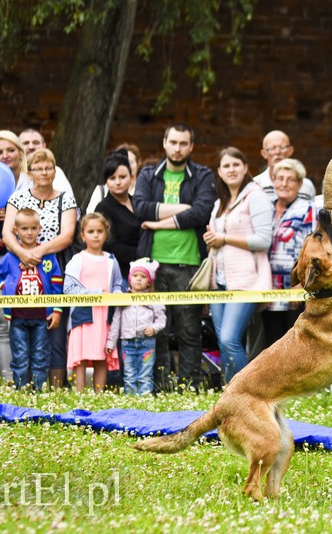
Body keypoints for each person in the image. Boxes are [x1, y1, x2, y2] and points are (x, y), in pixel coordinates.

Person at [133, 122, 216, 392]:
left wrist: (158, 222)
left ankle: (189, 385)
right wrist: (182, 209)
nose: (177, 148)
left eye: (183, 143)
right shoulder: (148, 175)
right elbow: (140, 207)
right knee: (153, 329)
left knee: (189, 330)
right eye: (173, 142)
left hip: (188, 263)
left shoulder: (202, 175)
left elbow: (202, 212)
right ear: (164, 143)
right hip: (152, 266)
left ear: (190, 146)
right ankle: (158, 386)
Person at [3, 148, 78, 388]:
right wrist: (23, 254)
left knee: (53, 327)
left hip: (53, 265)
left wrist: (38, 252)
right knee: (22, 329)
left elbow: (67, 235)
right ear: (29, 171)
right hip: (20, 265)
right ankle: (22, 385)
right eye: (38, 168)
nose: (44, 172)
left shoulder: (65, 197)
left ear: (55, 170)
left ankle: (53, 387)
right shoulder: (18, 197)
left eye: (48, 167)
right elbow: (7, 233)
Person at [202, 147, 272, 383]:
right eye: (226, 166)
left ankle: (247, 394)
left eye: (236, 164)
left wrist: (224, 239)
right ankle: (230, 398)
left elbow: (264, 240)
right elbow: (217, 239)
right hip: (218, 281)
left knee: (230, 339)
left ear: (245, 168)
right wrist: (212, 240)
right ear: (219, 172)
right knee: (223, 342)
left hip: (245, 280)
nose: (231, 170)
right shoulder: (220, 203)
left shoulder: (256, 196)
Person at [0, 208, 63, 390]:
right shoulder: (10, 257)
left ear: (40, 229)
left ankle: (39, 391)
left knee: (40, 355)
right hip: (17, 317)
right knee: (20, 355)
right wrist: (5, 285)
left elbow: (57, 282)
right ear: (16, 231)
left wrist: (57, 310)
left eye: (33, 228)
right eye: (24, 228)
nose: (29, 232)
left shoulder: (47, 255)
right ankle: (21, 391)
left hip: (41, 317)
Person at [0, 130, 30, 381]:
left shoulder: (30, 183)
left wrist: (12, 217)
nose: (5, 155)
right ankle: (9, 380)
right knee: (3, 321)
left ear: (20, 152)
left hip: (24, 260)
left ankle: (28, 378)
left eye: (10, 150)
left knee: (24, 320)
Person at [64, 213, 124, 393]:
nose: (96, 235)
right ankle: (80, 394)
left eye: (100, 231)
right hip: (82, 317)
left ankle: (98, 395)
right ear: (82, 236)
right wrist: (97, 293)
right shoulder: (77, 260)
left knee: (101, 357)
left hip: (104, 318)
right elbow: (69, 289)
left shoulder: (112, 260)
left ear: (106, 234)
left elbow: (118, 284)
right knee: (81, 357)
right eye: (91, 231)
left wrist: (117, 293)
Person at [263, 158, 316, 346]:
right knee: (272, 344)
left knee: (295, 345)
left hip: (293, 286)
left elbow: (313, 250)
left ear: (300, 183)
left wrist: (301, 283)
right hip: (268, 287)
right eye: (279, 178)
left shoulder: (308, 209)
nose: (284, 183)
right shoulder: (265, 207)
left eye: (290, 179)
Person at [106, 257, 166, 395]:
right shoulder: (123, 299)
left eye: (143, 276)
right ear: (129, 278)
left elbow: (161, 319)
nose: (138, 279)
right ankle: (131, 401)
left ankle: (145, 400)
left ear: (149, 282)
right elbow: (116, 322)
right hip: (127, 343)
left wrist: (154, 328)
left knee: (145, 374)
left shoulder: (154, 299)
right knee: (129, 374)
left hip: (147, 343)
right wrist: (111, 342)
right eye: (135, 275)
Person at [95, 149, 140, 278]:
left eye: (122, 177)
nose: (118, 182)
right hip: (119, 274)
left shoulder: (138, 203)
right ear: (106, 182)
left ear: (131, 178)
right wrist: (142, 253)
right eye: (112, 178)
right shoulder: (104, 207)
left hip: (144, 273)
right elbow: (109, 245)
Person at [253, 130, 316, 201]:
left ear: (290, 151)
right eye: (272, 148)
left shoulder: (306, 186)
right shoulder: (255, 185)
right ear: (264, 153)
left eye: (282, 147)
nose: (277, 152)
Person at [17, 129, 74, 193]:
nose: (31, 147)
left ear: (44, 146)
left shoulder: (56, 173)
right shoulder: (14, 175)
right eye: (26, 143)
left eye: (36, 143)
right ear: (19, 148)